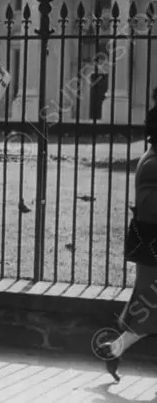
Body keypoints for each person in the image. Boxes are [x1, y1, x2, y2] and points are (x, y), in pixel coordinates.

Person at [96, 103, 157, 381]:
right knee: (148, 307)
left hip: (150, 246)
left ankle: (113, 349)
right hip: (152, 247)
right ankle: (113, 349)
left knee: (149, 308)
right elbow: (149, 206)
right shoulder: (153, 163)